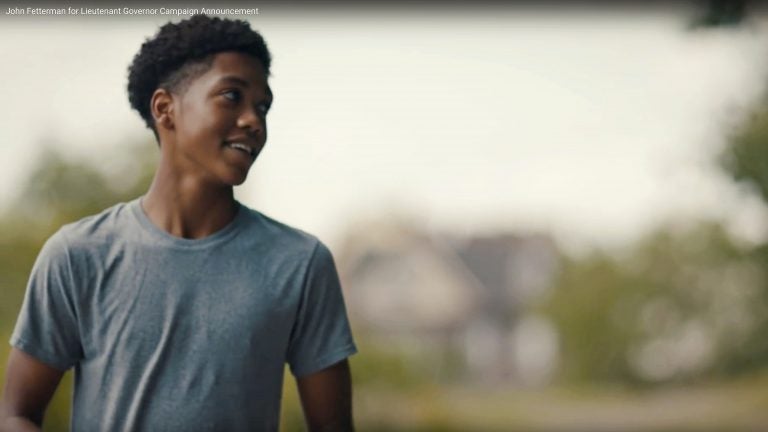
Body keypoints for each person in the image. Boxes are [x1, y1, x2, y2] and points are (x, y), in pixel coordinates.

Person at [0, 14, 356, 432]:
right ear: (166, 109)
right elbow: (16, 413)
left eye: (262, 106)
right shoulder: (78, 255)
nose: (254, 120)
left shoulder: (300, 263)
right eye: (231, 96)